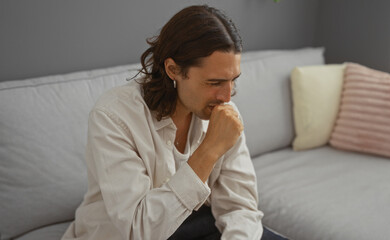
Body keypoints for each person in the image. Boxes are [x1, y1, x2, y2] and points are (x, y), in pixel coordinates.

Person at [62, 5, 287, 240]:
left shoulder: (225, 114)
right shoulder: (114, 117)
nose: (227, 97)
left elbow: (240, 208)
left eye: (233, 80)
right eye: (214, 83)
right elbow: (139, 230)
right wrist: (209, 150)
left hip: (200, 224)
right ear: (173, 70)